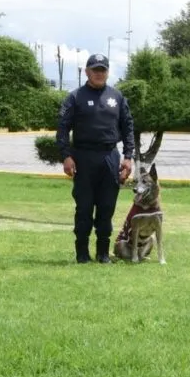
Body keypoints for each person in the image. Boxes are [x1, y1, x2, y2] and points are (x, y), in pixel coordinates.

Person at [56, 53, 135, 264]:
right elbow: (62, 128)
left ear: (107, 72)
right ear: (87, 72)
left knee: (106, 206)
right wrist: (66, 156)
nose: (99, 73)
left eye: (102, 70)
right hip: (83, 157)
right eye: (95, 70)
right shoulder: (75, 97)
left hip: (109, 156)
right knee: (84, 207)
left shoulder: (117, 97)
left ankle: (103, 253)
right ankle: (82, 253)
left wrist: (128, 156)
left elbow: (128, 127)